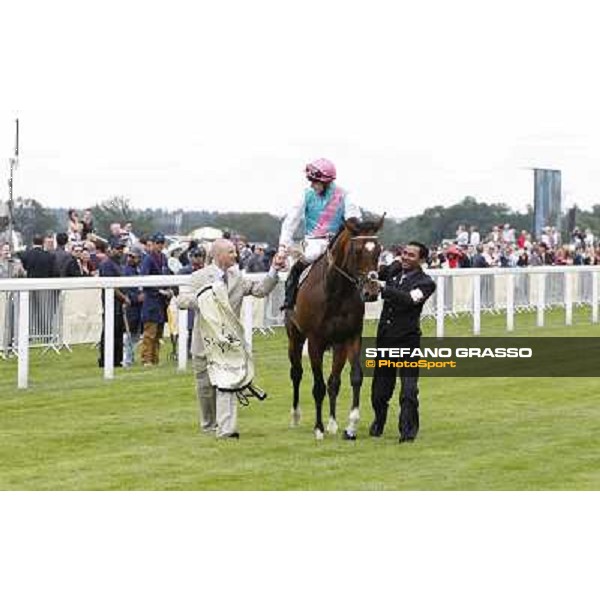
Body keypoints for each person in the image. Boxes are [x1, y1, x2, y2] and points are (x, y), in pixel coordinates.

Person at [177, 238, 285, 438]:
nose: (236, 256)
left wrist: (273, 271)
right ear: (218, 255)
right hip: (205, 343)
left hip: (229, 345)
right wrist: (207, 298)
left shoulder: (237, 277)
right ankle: (209, 424)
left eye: (235, 252)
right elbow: (181, 300)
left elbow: (260, 290)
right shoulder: (199, 276)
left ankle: (227, 429)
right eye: (231, 252)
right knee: (205, 388)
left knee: (228, 384)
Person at [369, 241, 436, 443]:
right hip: (385, 339)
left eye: (411, 255)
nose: (405, 257)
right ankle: (379, 422)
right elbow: (375, 274)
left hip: (407, 342)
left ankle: (407, 432)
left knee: (408, 390)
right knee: (380, 391)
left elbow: (408, 299)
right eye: (404, 253)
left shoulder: (426, 283)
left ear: (422, 260)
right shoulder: (394, 270)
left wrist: (382, 288)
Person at [278, 158, 361, 310]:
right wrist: (283, 247)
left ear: (326, 181)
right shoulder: (306, 194)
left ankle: (362, 295)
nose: (311, 184)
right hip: (314, 242)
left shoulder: (345, 195)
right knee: (303, 261)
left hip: (338, 241)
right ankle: (289, 301)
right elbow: (291, 221)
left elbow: (354, 219)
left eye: (315, 181)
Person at [140, 232, 172, 366]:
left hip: (161, 301)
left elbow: (167, 274)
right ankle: (146, 359)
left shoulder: (164, 258)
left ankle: (155, 358)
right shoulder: (148, 259)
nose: (159, 246)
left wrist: (169, 289)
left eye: (161, 243)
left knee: (158, 333)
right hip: (152, 300)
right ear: (152, 244)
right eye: (157, 243)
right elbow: (144, 279)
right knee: (149, 332)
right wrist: (158, 290)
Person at [98, 239, 130, 368]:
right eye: (118, 248)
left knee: (118, 333)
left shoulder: (119, 264)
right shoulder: (107, 264)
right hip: (111, 303)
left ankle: (117, 360)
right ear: (111, 249)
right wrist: (124, 298)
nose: (120, 251)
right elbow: (110, 286)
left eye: (122, 248)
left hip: (119, 304)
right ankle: (105, 360)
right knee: (109, 332)